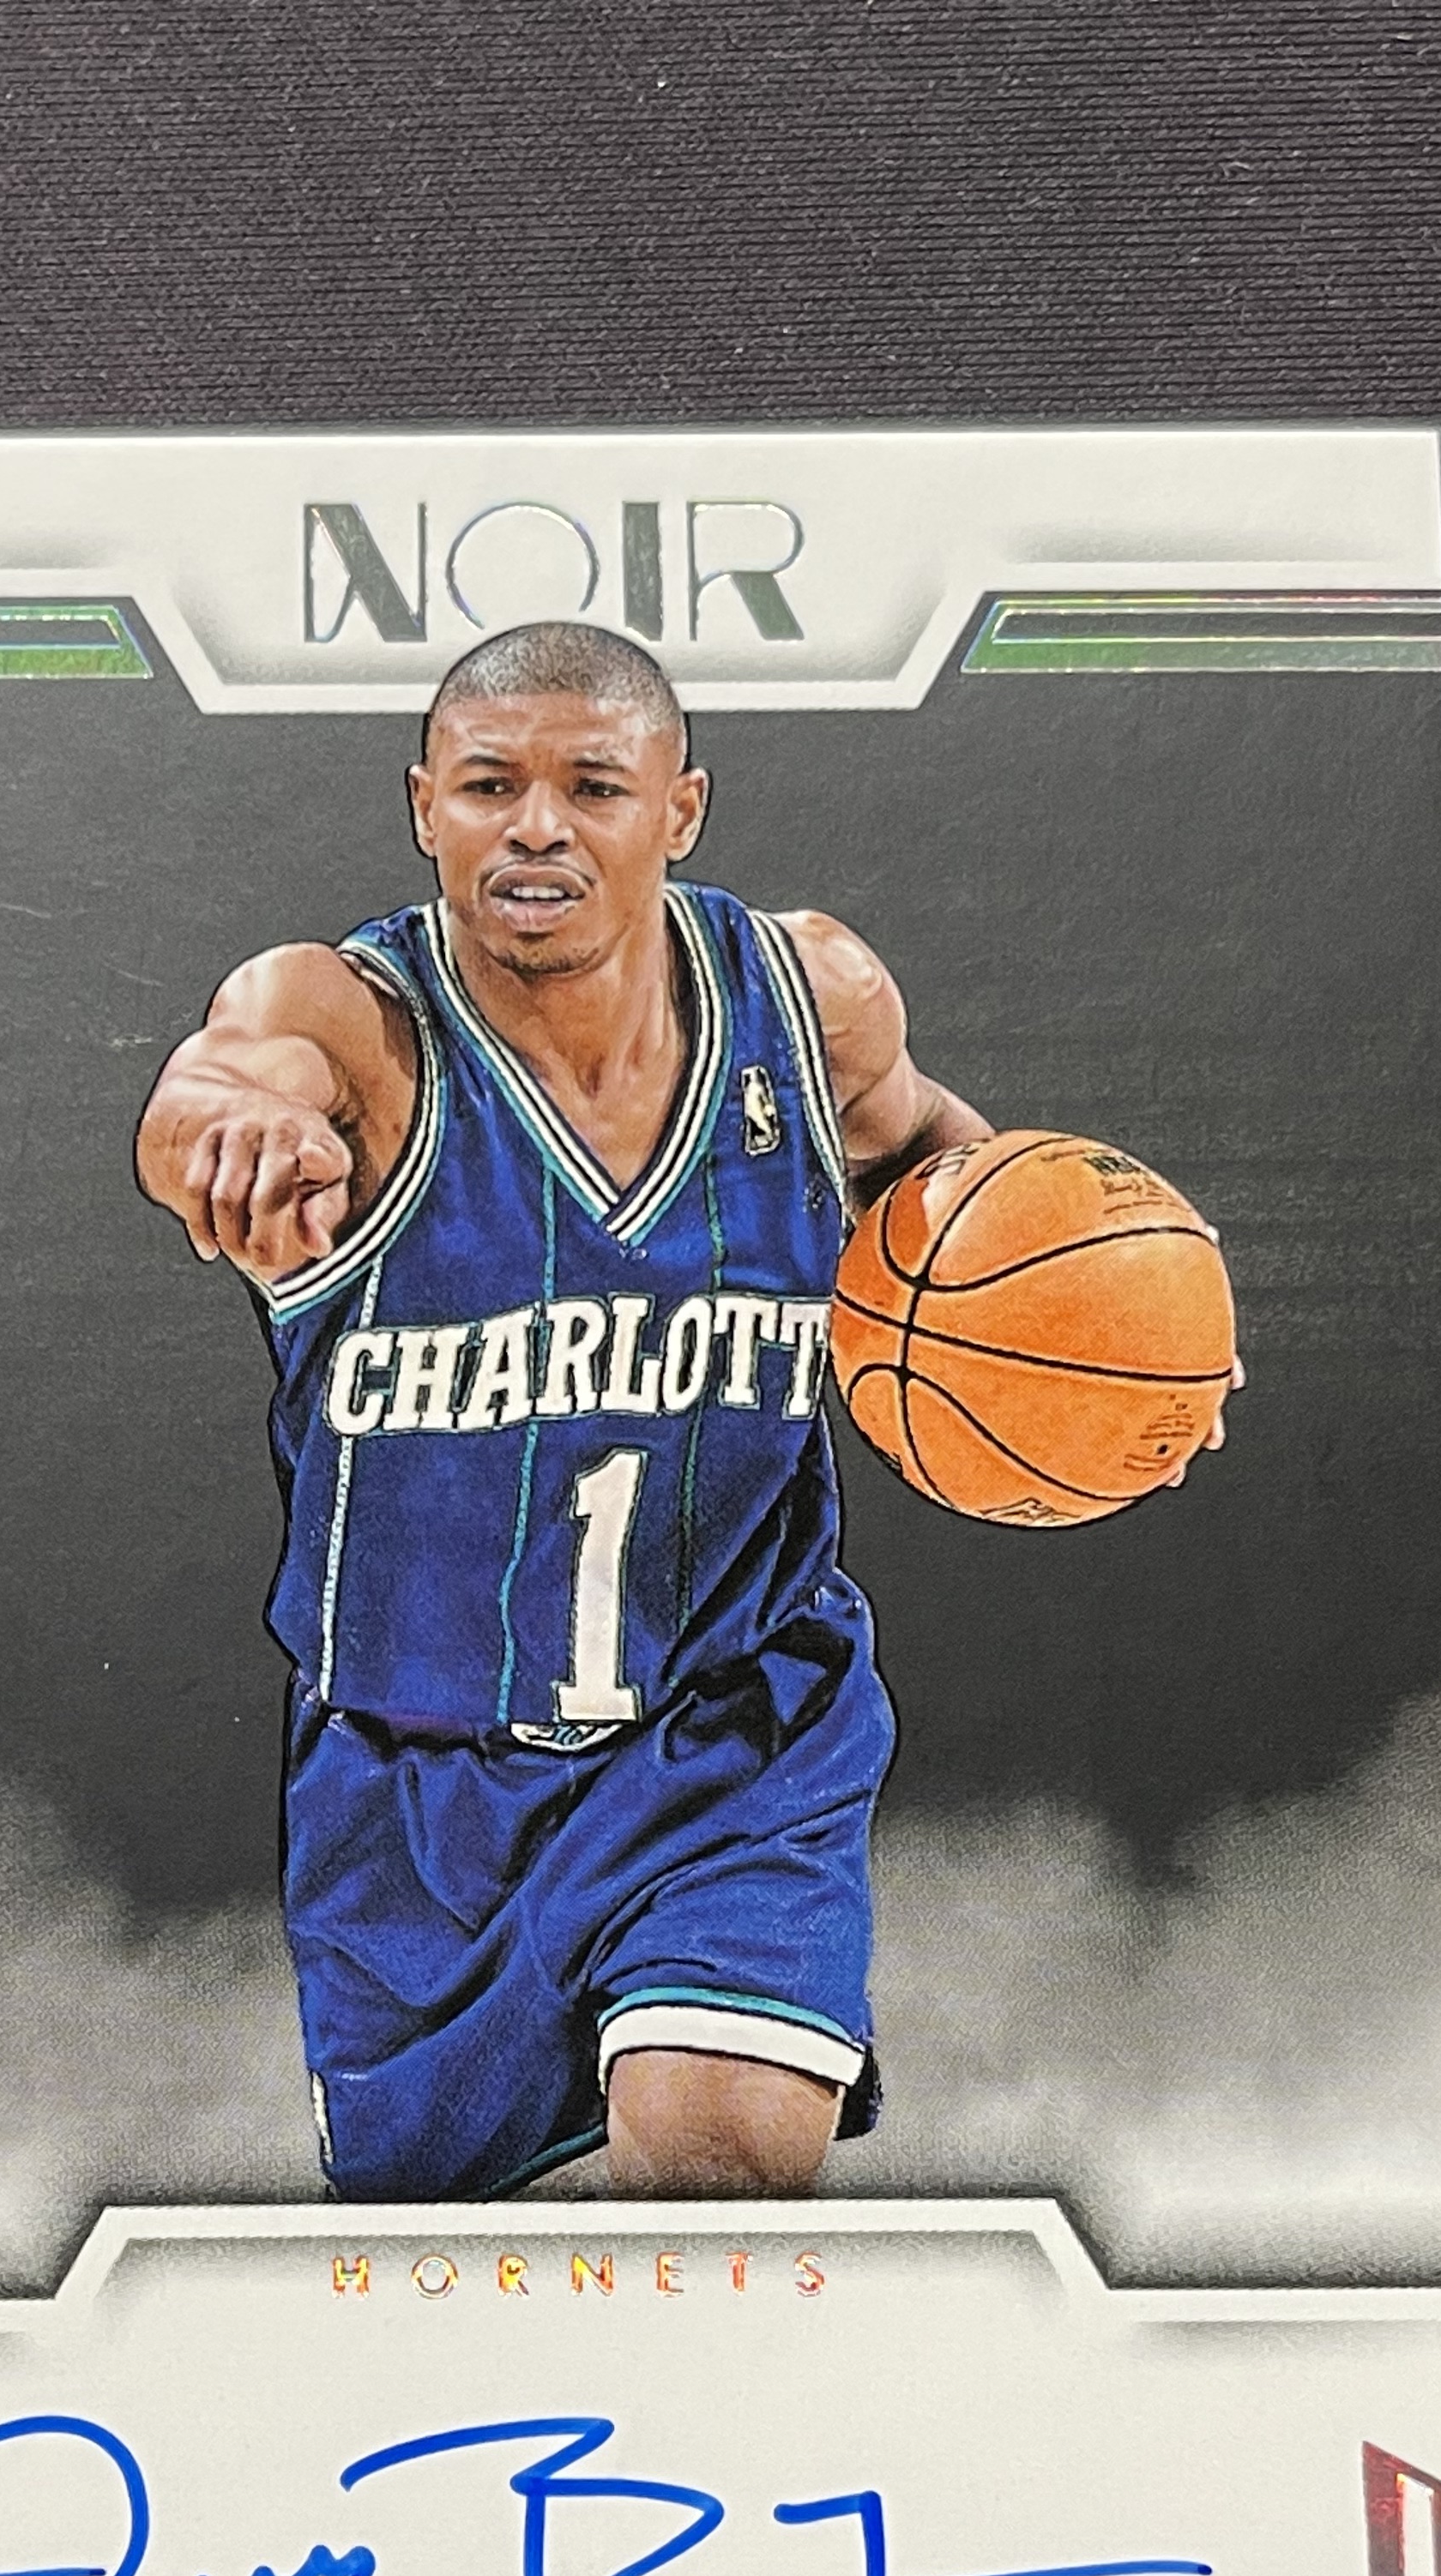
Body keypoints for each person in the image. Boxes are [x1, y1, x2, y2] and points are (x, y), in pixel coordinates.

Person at [137, 621, 990, 2204]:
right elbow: (219, 1082)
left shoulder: (808, 1006)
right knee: (450, 2277)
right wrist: (234, 1133)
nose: (538, 826)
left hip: (734, 1733)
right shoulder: (354, 1022)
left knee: (717, 2176)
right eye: (489, 786)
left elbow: (946, 1172)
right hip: (416, 1788)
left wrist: (1096, 1331)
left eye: (594, 785)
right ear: (424, 808)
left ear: (680, 808)